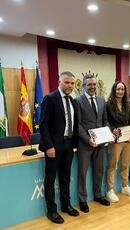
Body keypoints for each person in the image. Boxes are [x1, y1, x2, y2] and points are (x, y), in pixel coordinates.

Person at [39, 71, 79, 224]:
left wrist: (74, 144)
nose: (70, 85)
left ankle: (66, 205)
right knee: (50, 179)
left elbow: (74, 125)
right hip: (54, 146)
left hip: (68, 145)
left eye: (72, 83)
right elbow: (43, 125)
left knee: (65, 177)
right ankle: (52, 210)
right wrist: (48, 146)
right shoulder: (50, 99)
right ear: (59, 82)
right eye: (67, 82)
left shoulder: (73, 101)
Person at [75, 72, 110, 213]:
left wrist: (107, 133)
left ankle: (98, 195)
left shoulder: (102, 100)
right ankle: (82, 200)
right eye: (89, 84)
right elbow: (77, 124)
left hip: (100, 143)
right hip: (85, 144)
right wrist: (88, 139)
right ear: (84, 86)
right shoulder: (77, 101)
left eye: (94, 84)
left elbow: (105, 120)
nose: (92, 87)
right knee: (82, 173)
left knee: (99, 170)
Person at [106, 81, 130, 203]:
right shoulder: (108, 104)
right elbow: (106, 121)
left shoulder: (127, 104)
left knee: (125, 164)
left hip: (127, 140)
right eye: (118, 89)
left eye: (122, 89)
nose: (120, 91)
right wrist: (112, 130)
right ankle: (110, 190)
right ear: (114, 90)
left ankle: (124, 186)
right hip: (116, 140)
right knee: (113, 165)